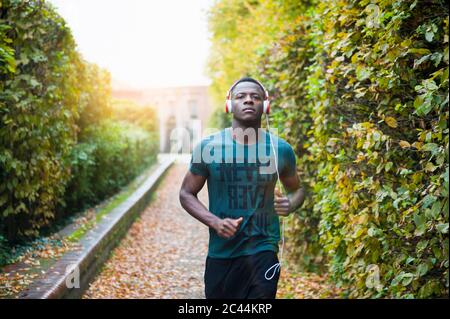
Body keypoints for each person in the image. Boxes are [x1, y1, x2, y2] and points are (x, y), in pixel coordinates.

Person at [179, 77, 305, 299]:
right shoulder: (208, 148)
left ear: (265, 106)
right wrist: (215, 222)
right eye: (241, 96)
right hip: (222, 253)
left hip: (263, 251)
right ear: (230, 105)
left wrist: (291, 203)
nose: (249, 101)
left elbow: (297, 190)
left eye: (255, 97)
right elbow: (186, 193)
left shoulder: (280, 150)